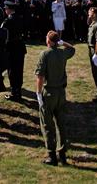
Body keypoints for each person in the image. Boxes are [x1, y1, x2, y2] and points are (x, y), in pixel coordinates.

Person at [35, 30, 75, 166]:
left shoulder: (44, 54)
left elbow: (40, 76)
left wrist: (38, 94)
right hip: (61, 93)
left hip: (49, 93)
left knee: (47, 125)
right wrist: (62, 43)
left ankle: (52, 156)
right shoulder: (62, 53)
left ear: (49, 41)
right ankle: (62, 155)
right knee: (60, 125)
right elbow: (72, 49)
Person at [2, 0, 26, 102]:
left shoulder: (7, 21)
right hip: (20, 47)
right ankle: (18, 92)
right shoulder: (20, 18)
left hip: (11, 48)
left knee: (12, 71)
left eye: (6, 8)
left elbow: (4, 36)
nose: (5, 10)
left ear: (8, 9)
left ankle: (14, 93)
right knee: (19, 70)